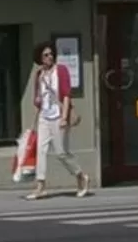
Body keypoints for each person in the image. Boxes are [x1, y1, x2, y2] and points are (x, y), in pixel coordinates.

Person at [23, 42, 90, 201]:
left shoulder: (61, 71)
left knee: (61, 153)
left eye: (51, 54)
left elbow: (66, 95)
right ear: (39, 57)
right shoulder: (39, 74)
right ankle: (40, 186)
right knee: (41, 151)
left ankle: (81, 176)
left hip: (58, 116)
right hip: (44, 117)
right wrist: (38, 100)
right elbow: (37, 99)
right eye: (46, 55)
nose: (49, 57)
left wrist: (64, 118)